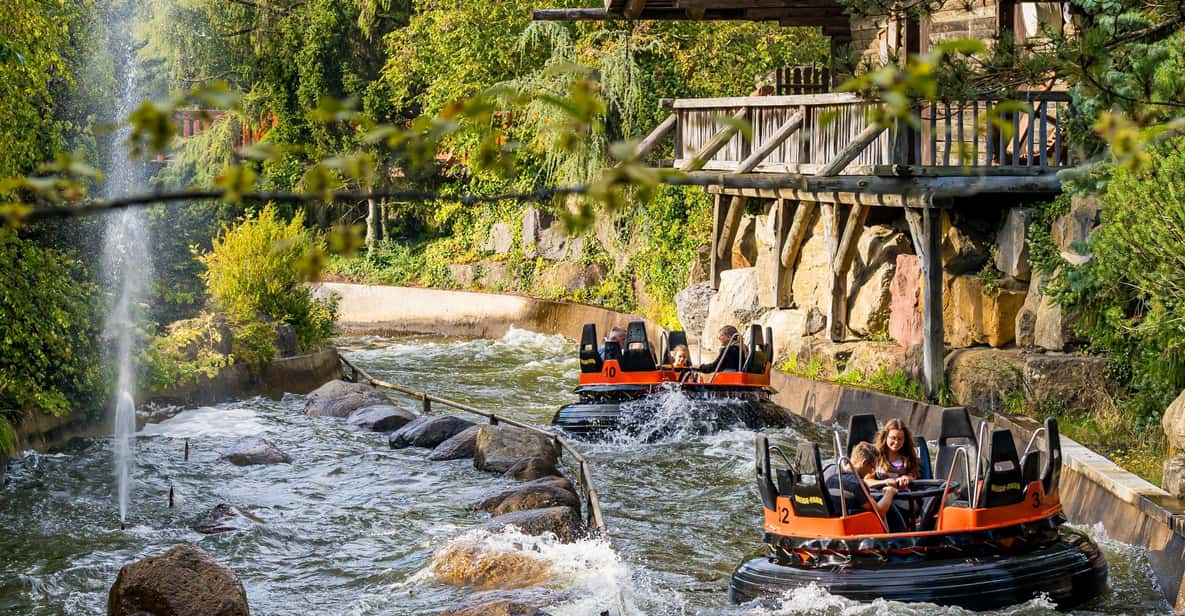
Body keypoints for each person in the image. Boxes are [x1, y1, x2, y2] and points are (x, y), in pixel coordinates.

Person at [826, 441, 901, 518]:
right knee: (891, 508)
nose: (871, 472)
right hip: (857, 526)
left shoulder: (830, 479)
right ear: (864, 463)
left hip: (835, 524)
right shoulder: (857, 485)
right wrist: (889, 493)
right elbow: (879, 512)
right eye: (872, 467)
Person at [869, 418, 921, 488]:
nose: (896, 442)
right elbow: (866, 481)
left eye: (900, 439)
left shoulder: (909, 454)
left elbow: (914, 475)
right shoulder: (875, 454)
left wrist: (907, 478)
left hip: (903, 495)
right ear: (885, 437)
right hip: (879, 495)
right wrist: (884, 482)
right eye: (893, 438)